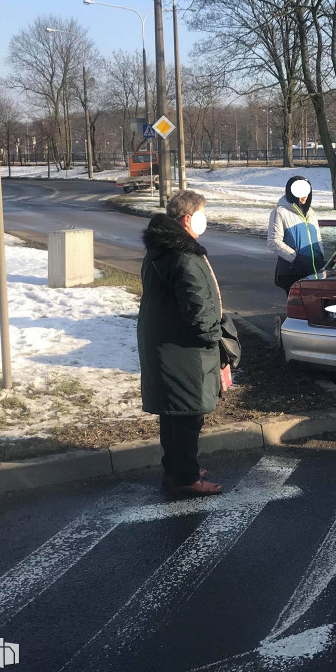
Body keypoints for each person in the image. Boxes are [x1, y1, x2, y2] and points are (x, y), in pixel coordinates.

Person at [138, 190, 225, 497]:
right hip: (183, 349)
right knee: (189, 415)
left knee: (174, 414)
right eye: (203, 213)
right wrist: (216, 337)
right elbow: (198, 308)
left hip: (166, 344)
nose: (206, 219)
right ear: (188, 218)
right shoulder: (183, 255)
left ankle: (176, 470)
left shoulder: (161, 249)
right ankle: (186, 477)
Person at [268, 175, 324, 293]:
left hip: (313, 270)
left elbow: (318, 239)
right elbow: (273, 241)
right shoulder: (280, 212)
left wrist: (321, 257)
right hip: (294, 271)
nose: (304, 196)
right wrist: (296, 258)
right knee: (298, 308)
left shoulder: (311, 213)